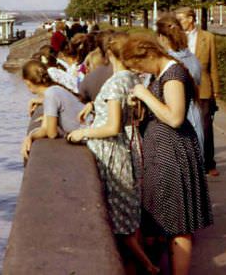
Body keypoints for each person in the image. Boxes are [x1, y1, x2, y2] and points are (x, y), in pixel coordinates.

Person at [66, 34, 159, 274]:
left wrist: (83, 133)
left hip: (114, 153)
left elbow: (112, 127)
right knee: (132, 213)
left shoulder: (116, 83)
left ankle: (148, 266)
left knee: (120, 221)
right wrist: (95, 104)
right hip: (130, 148)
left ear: (108, 56)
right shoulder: (132, 79)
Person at [122, 34, 213, 275]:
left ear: (149, 55)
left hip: (173, 154)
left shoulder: (172, 75)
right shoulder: (163, 73)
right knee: (171, 223)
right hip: (165, 153)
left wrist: (144, 95)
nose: (140, 72)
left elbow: (175, 117)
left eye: (139, 66)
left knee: (179, 226)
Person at [175, 6, 221, 176]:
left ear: (191, 19)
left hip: (203, 87)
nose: (179, 23)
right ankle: (188, 162)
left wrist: (216, 90)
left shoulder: (208, 38)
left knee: (205, 125)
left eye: (181, 19)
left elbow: (214, 66)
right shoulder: (176, 38)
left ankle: (209, 163)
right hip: (181, 86)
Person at [156, 14, 205, 156]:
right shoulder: (192, 58)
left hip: (176, 125)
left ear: (161, 37)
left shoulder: (167, 62)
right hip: (194, 118)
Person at [20, 60, 84, 160]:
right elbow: (45, 128)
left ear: (27, 82)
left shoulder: (50, 94)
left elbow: (51, 133)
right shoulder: (54, 89)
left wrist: (30, 136)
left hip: (89, 136)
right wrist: (31, 136)